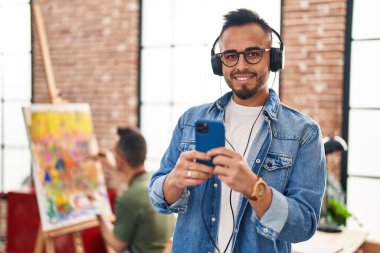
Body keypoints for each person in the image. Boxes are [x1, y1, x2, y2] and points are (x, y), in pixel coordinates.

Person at [148, 8, 326, 253]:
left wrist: (254, 187)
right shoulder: (191, 121)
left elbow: (304, 225)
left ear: (274, 59)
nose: (241, 65)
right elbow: (158, 198)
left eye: (253, 54)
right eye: (230, 56)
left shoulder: (303, 132)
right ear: (218, 63)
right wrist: (173, 181)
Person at [95, 127, 175, 253]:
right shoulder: (156, 181)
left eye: (114, 152)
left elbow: (117, 245)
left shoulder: (128, 199)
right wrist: (114, 166)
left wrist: (98, 212)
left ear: (120, 158)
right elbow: (132, 182)